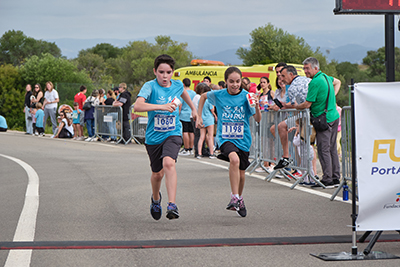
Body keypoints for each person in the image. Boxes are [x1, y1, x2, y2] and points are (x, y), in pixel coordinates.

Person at [134, 54, 197, 220]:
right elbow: (137, 106)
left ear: (173, 72)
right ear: (155, 71)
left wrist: (194, 109)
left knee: (168, 163)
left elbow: (183, 93)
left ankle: (172, 204)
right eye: (161, 72)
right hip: (154, 137)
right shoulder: (150, 86)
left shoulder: (176, 85)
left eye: (168, 72)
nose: (164, 76)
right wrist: (161, 106)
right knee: (157, 174)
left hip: (173, 132)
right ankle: (156, 199)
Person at [197, 66, 261, 217]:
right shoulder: (219, 94)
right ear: (225, 82)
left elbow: (258, 119)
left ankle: (239, 198)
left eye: (237, 81)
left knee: (242, 173)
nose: (234, 84)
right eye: (231, 81)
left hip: (243, 139)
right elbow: (203, 97)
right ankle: (234, 197)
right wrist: (199, 116)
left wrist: (257, 105)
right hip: (225, 137)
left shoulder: (247, 96)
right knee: (234, 159)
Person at [295, 57, 341, 188]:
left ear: (315, 68)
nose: (305, 71)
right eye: (304, 68)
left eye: (307, 68)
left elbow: (307, 104)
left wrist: (295, 106)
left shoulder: (314, 82)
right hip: (333, 115)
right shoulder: (326, 77)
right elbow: (338, 82)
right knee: (332, 148)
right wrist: (332, 98)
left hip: (323, 119)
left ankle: (327, 179)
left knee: (323, 149)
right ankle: (335, 177)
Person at [273, 65, 311, 170]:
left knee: (282, 127)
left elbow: (296, 106)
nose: (281, 79)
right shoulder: (307, 79)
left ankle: (286, 157)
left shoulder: (292, 88)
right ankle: (308, 172)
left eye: (283, 76)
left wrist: (285, 105)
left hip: (304, 116)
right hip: (315, 113)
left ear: (291, 74)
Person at [289, 118, 315, 185]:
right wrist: (296, 129)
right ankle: (307, 179)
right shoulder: (305, 133)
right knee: (306, 167)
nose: (296, 127)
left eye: (297, 126)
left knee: (306, 167)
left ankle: (311, 180)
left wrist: (295, 134)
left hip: (306, 154)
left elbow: (295, 142)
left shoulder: (302, 135)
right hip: (306, 153)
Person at [197, 85, 216, 159]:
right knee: (210, 137)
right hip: (209, 119)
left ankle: (199, 153)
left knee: (202, 137)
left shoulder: (200, 100)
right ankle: (211, 153)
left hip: (202, 119)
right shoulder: (209, 100)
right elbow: (212, 110)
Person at [178, 78, 196, 156]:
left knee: (185, 132)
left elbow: (180, 105)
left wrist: (178, 114)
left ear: (183, 84)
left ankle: (186, 148)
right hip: (191, 114)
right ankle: (191, 148)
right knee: (191, 132)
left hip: (184, 114)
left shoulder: (183, 93)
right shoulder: (194, 93)